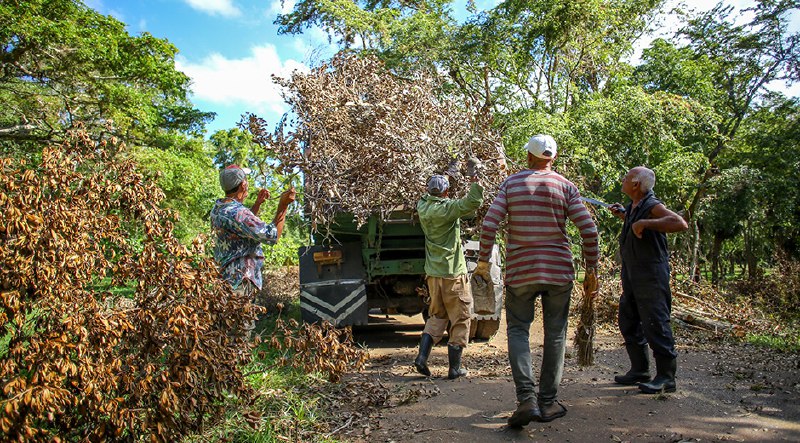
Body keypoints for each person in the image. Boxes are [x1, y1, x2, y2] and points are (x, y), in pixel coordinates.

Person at [474, 134, 598, 427]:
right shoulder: (566, 187)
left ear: (528, 157)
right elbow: (589, 231)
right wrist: (591, 270)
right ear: (552, 158)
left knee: (518, 331)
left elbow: (490, 223)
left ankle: (526, 398)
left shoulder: (511, 184)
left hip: (521, 272)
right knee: (555, 335)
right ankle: (548, 402)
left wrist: (482, 263)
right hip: (558, 272)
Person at [609, 166, 688, 394]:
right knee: (629, 320)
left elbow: (679, 223)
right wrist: (625, 216)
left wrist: (645, 223)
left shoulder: (652, 206)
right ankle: (640, 370)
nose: (622, 180)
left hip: (651, 275)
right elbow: (636, 224)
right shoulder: (635, 206)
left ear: (636, 184)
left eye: (626, 177)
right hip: (632, 274)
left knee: (656, 323)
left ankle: (666, 377)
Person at [413, 169, 483, 380]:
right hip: (453, 274)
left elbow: (431, 196)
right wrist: (475, 180)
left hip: (433, 275)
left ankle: (422, 358)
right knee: (461, 318)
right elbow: (473, 202)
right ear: (445, 193)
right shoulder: (448, 209)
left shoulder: (422, 206)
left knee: (437, 315)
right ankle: (455, 368)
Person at [210, 164, 296, 334]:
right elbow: (272, 235)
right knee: (239, 334)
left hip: (226, 280)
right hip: (240, 283)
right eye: (246, 180)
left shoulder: (219, 208)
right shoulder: (239, 214)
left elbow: (241, 229)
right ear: (243, 185)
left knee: (226, 331)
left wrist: (257, 204)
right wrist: (283, 205)